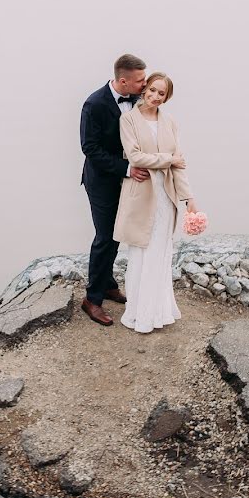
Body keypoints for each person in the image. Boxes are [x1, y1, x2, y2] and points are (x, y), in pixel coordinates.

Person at [113, 72, 198, 333]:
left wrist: (189, 199)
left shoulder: (170, 122)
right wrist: (167, 159)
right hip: (142, 194)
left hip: (166, 196)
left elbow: (179, 164)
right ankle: (138, 315)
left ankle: (159, 311)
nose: (155, 97)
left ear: (166, 97)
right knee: (141, 252)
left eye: (161, 93)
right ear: (144, 89)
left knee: (161, 253)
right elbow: (135, 157)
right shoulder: (128, 120)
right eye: (151, 90)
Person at [79, 54, 151, 326]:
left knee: (117, 232)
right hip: (102, 181)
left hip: (128, 180)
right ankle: (92, 299)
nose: (144, 84)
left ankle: (108, 284)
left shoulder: (137, 100)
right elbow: (90, 148)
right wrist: (126, 168)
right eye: (140, 80)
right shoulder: (94, 104)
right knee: (105, 236)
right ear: (123, 81)